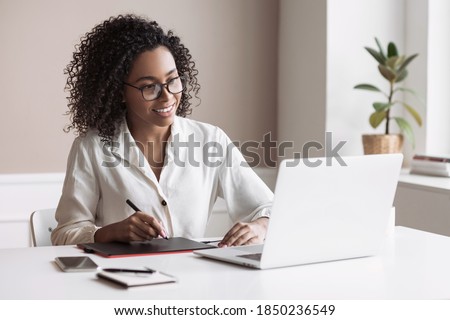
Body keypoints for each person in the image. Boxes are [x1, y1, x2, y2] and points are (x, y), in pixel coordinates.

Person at [51, 14, 273, 247]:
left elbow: (267, 207)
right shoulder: (92, 147)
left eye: (173, 80)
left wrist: (260, 226)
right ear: (119, 92)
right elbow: (64, 234)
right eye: (149, 87)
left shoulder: (210, 140)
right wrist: (110, 232)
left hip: (192, 277)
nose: (167, 96)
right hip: (122, 277)